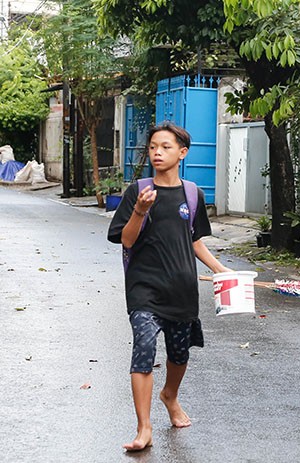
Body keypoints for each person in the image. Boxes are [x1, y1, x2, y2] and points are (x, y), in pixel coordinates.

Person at [107, 122, 231, 451]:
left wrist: (220, 269)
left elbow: (194, 240)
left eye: (165, 147)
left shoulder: (193, 194)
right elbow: (127, 240)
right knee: (144, 349)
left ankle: (170, 396)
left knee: (179, 353)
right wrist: (139, 210)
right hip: (144, 289)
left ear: (182, 152)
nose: (157, 152)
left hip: (182, 288)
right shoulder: (139, 191)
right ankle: (144, 428)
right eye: (152, 147)